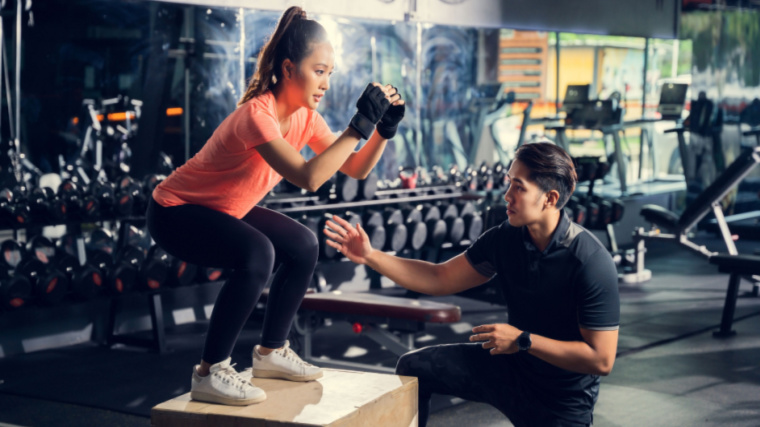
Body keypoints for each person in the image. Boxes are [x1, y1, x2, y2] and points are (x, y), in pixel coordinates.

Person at [146, 6, 405, 406]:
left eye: (329, 74)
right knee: (257, 253)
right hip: (175, 211)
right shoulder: (256, 115)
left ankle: (270, 353)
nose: (325, 84)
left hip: (223, 208)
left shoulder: (305, 117)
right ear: (288, 69)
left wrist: (382, 130)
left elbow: (353, 167)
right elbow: (309, 177)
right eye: (318, 71)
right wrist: (359, 125)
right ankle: (209, 371)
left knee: (303, 244)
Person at [324, 142, 619, 427]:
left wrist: (522, 340)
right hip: (510, 368)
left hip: (561, 398)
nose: (507, 195)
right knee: (414, 368)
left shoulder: (590, 261)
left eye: (519, 187)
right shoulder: (505, 238)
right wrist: (371, 256)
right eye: (509, 183)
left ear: (550, 199)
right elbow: (438, 277)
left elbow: (601, 359)